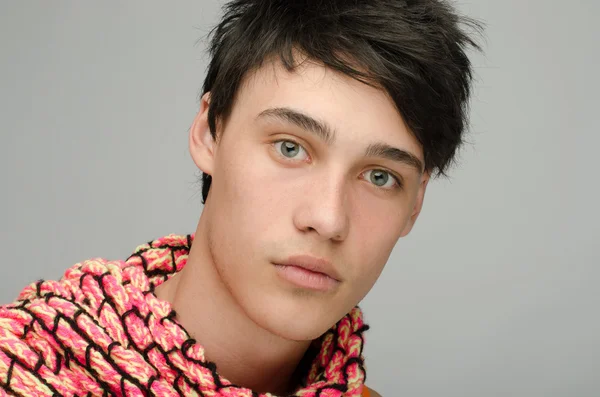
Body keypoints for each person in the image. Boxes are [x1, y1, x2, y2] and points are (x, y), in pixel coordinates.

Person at [0, 0, 482, 396]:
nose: (328, 218)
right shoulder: (25, 367)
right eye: (290, 148)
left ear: (415, 203)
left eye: (379, 176)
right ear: (209, 133)